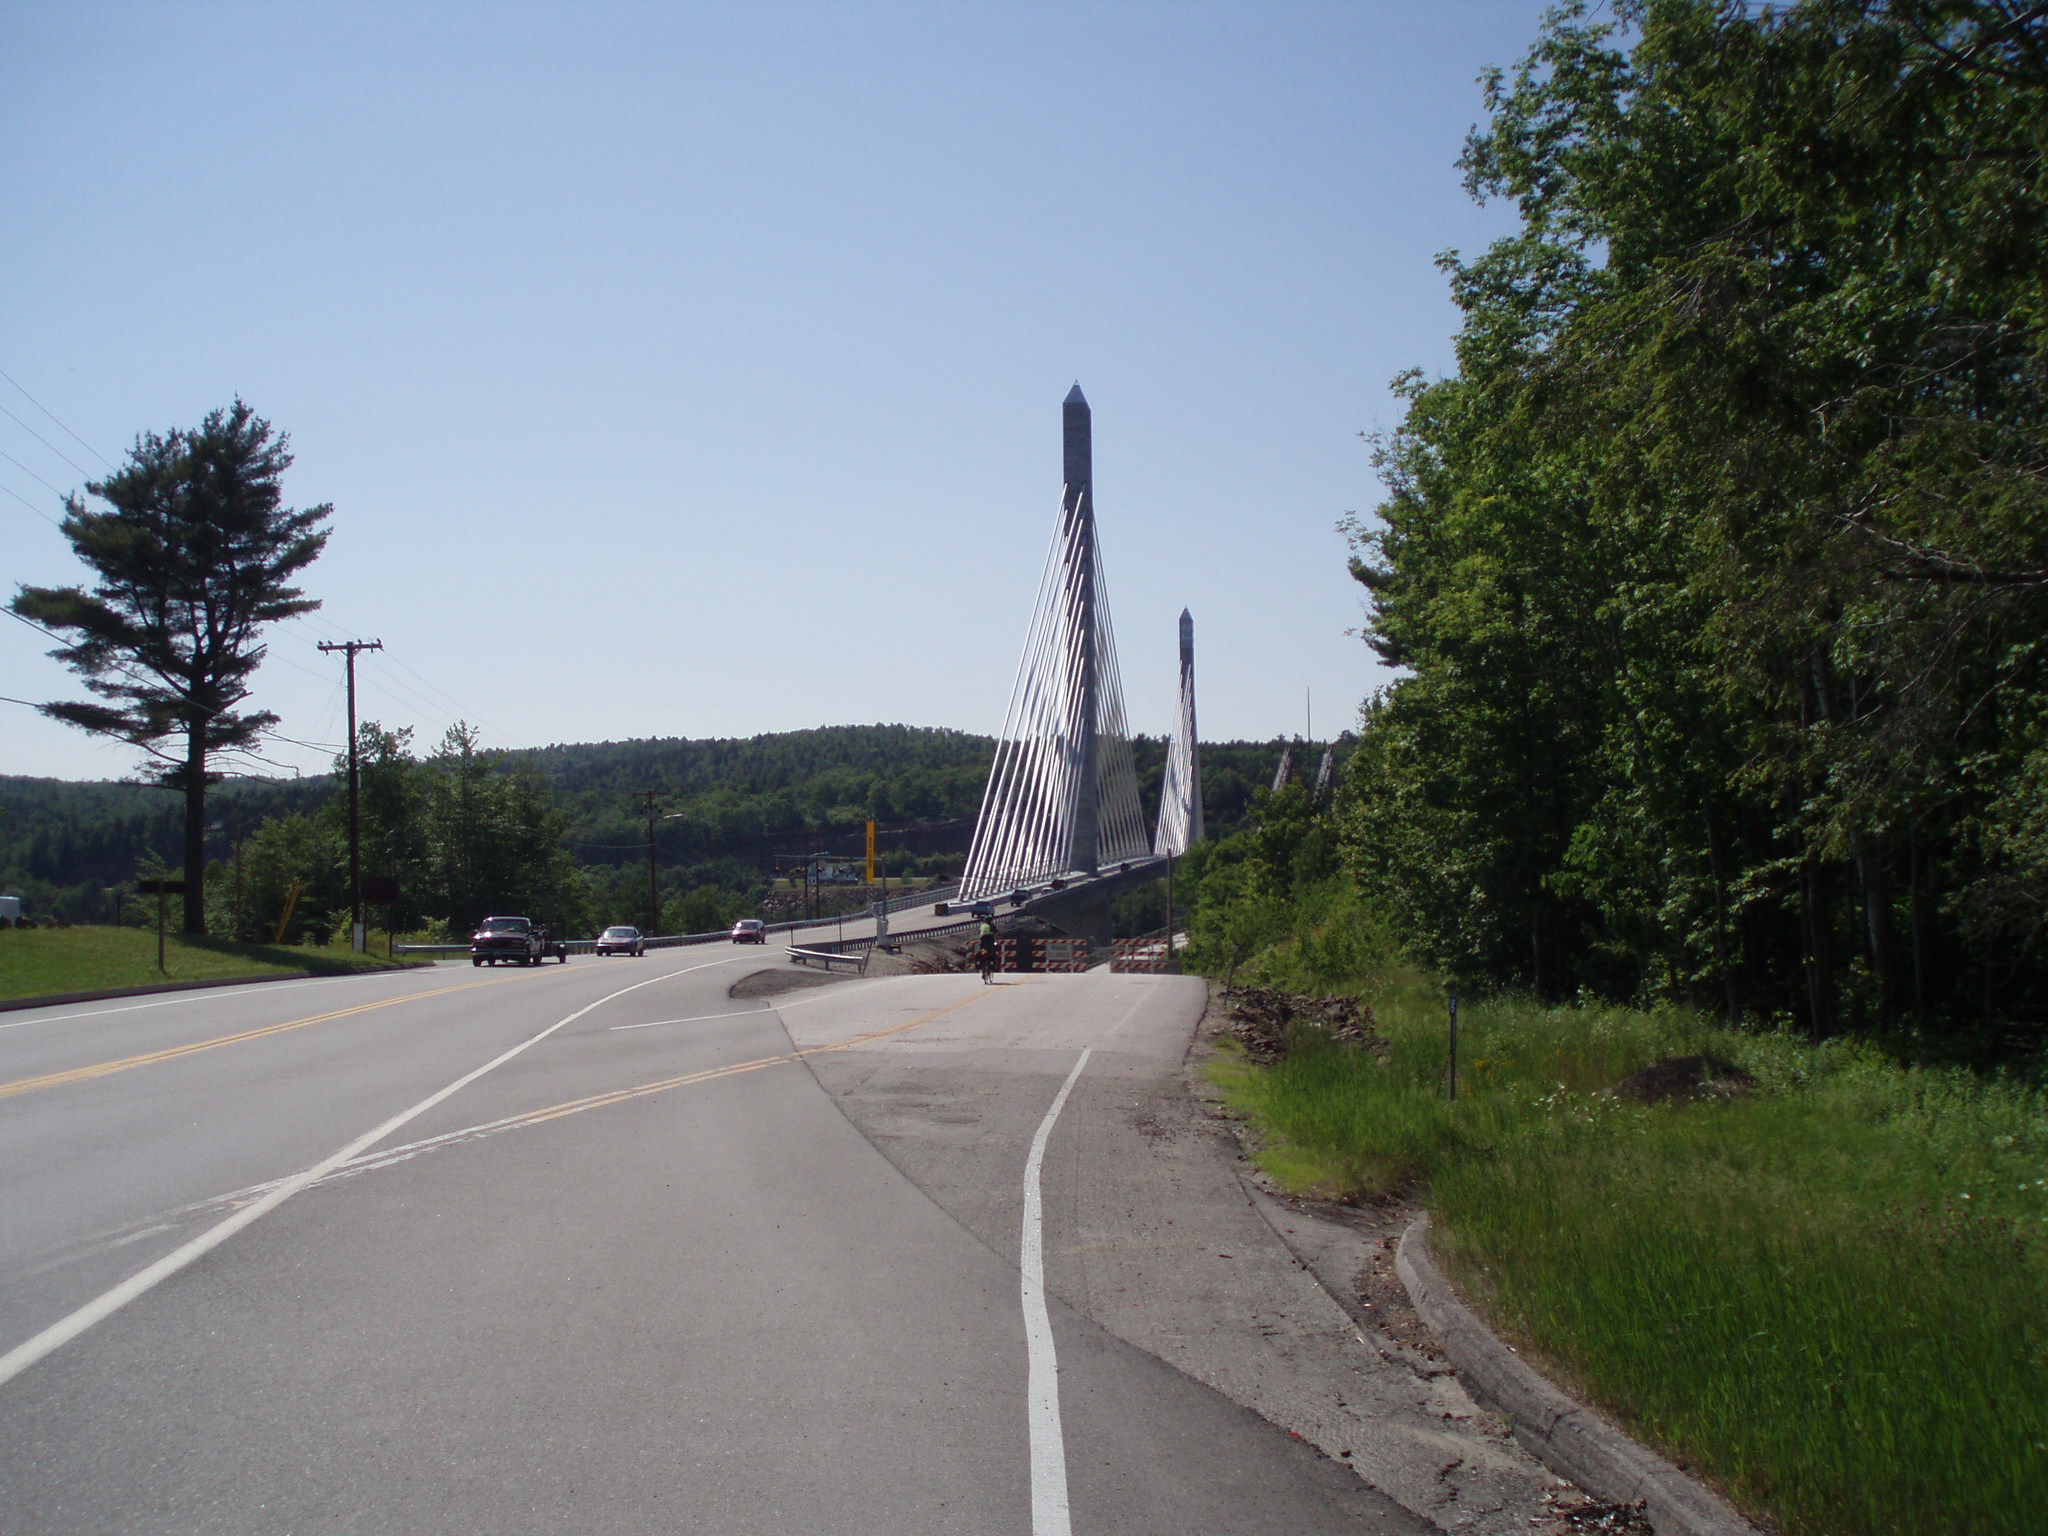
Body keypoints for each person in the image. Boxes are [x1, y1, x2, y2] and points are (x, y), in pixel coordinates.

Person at [976, 916, 999, 983]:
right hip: (990, 942)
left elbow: (979, 934)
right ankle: (992, 966)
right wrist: (996, 943)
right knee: (992, 953)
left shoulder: (982, 926)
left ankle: (982, 968)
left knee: (982, 954)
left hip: (983, 942)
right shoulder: (992, 926)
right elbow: (996, 935)